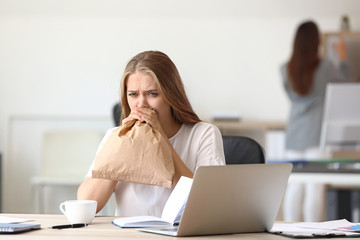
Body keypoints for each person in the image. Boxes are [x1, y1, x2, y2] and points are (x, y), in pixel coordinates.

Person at [77, 50, 226, 217]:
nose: (141, 104)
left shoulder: (204, 134)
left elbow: (207, 203)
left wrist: (162, 140)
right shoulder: (114, 136)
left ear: (171, 95)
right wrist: (120, 149)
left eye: (152, 94)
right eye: (133, 95)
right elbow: (87, 203)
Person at [280, 21, 351, 222]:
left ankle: (290, 230)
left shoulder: (286, 69)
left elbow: (291, 97)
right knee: (315, 186)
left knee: (294, 185)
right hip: (317, 135)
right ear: (316, 41)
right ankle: (314, 233)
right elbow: (346, 84)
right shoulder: (326, 67)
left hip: (294, 134)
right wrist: (343, 56)